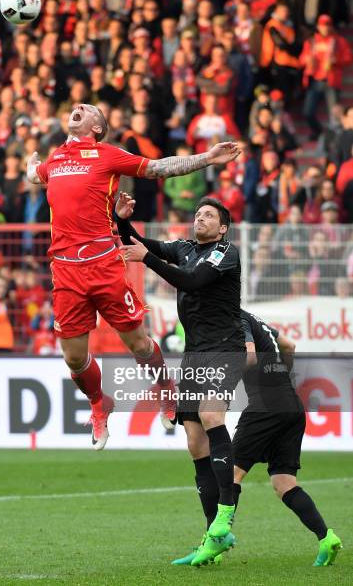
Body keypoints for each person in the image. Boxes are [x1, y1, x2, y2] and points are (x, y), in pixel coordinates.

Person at [26, 103, 240, 450]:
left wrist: (206, 158)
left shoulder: (107, 154)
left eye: (90, 109)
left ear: (98, 127)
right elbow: (34, 175)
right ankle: (100, 403)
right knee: (74, 358)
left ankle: (165, 387)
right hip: (64, 269)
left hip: (102, 264)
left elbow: (158, 168)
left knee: (138, 344)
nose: (79, 107)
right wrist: (29, 164)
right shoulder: (56, 158)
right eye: (78, 107)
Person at [118, 193, 246, 563]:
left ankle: (226, 512)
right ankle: (213, 537)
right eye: (198, 213)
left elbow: (192, 282)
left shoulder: (225, 253)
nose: (200, 218)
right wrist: (123, 221)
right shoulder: (187, 248)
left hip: (224, 347)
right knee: (194, 441)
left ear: (222, 227)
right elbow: (140, 244)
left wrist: (150, 260)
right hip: (194, 353)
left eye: (208, 215)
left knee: (210, 416)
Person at [172, 309, 342, 568]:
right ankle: (326, 537)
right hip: (291, 405)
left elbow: (249, 356)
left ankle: (212, 545)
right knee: (284, 483)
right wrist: (280, 375)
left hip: (265, 409)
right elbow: (288, 344)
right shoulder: (255, 319)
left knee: (229, 476)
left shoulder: (234, 319)